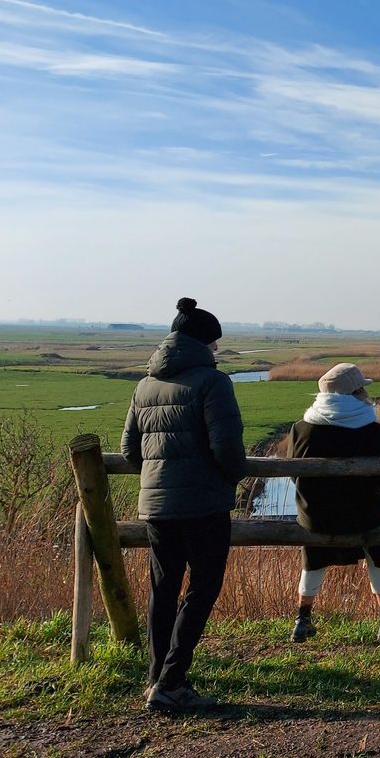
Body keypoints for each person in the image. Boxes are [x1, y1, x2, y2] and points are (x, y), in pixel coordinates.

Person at [120, 297, 246, 714]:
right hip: (203, 503)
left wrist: (157, 479)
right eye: (215, 344)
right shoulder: (213, 383)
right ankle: (172, 681)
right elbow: (227, 449)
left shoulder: (145, 384)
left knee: (163, 587)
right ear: (204, 342)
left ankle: (157, 679)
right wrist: (229, 479)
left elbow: (129, 451)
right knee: (203, 587)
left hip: (155, 504)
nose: (217, 351)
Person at [285, 363, 380, 643]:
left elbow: (293, 474)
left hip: (317, 516)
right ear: (356, 392)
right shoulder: (370, 428)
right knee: (379, 546)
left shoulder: (303, 428)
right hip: (365, 514)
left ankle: (303, 619)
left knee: (313, 553)